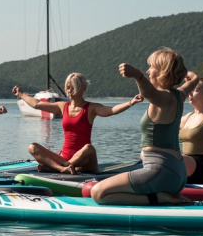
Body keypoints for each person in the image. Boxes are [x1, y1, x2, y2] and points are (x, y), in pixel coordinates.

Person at [90, 47, 198, 205]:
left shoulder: (163, 99)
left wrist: (137, 75)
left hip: (160, 171)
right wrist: (186, 74)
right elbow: (193, 80)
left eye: (152, 67)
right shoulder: (179, 95)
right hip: (178, 172)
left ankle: (159, 198)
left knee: (98, 193)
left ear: (162, 72)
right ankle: (161, 194)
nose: (148, 71)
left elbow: (148, 93)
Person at [12, 72, 143, 174]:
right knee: (32, 147)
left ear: (83, 88)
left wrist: (131, 102)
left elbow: (112, 110)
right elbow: (37, 104)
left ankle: (58, 168)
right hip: (64, 157)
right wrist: (21, 94)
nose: (69, 91)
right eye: (68, 88)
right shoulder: (63, 106)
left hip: (85, 161)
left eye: (73, 88)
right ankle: (62, 168)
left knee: (88, 148)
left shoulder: (91, 108)